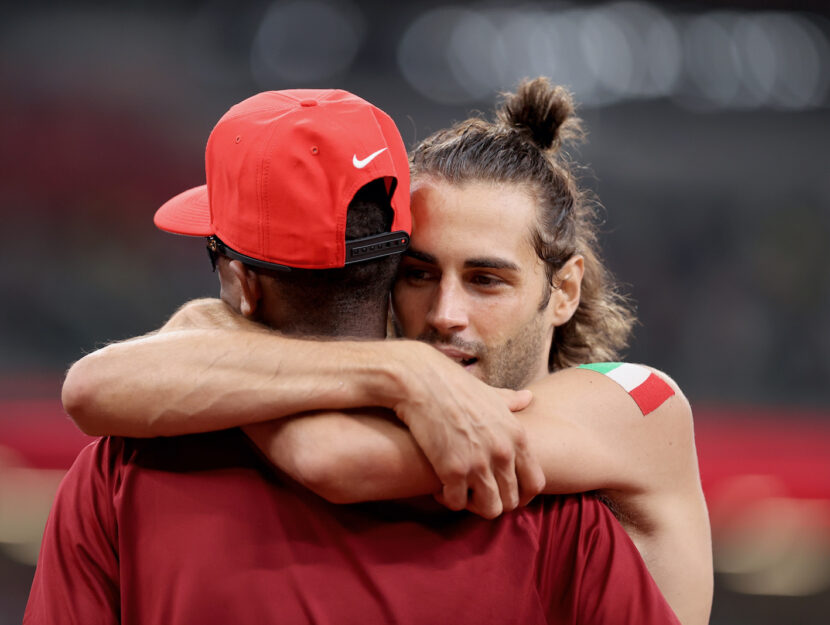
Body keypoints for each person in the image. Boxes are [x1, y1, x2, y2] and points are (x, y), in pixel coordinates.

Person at [26, 87, 681, 625]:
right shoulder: (568, 522)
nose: (447, 312)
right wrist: (400, 369)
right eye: (422, 273)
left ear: (239, 282)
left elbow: (332, 457)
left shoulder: (629, 412)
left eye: (487, 279)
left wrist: (214, 324)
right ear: (390, 264)